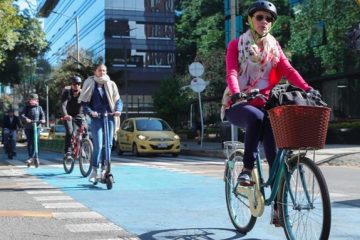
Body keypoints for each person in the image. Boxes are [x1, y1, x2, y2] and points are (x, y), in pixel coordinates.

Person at [221, 0, 318, 225]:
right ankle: (246, 169)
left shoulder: (274, 47)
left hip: (266, 104)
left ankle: (278, 211)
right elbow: (232, 71)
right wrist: (236, 93)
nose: (264, 21)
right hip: (238, 104)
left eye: (268, 18)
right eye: (259, 17)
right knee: (255, 118)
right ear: (250, 20)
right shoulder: (237, 44)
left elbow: (288, 70)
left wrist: (308, 88)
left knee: (276, 157)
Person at [78, 63, 123, 183]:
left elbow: (118, 100)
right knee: (98, 145)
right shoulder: (89, 83)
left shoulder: (111, 84)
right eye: (100, 70)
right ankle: (94, 170)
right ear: (95, 72)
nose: (102, 72)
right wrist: (91, 112)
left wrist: (118, 110)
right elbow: (84, 103)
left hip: (109, 117)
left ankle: (105, 169)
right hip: (96, 118)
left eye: (104, 70)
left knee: (108, 145)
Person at [60, 76, 85, 159]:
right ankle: (68, 151)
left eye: (78, 84)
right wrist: (65, 115)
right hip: (68, 115)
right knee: (70, 131)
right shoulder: (67, 92)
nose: (76, 85)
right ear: (71, 85)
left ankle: (83, 149)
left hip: (79, 115)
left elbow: (88, 104)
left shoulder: (83, 93)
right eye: (74, 84)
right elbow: (63, 105)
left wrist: (92, 113)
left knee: (85, 131)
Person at [20, 93, 46, 163]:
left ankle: (35, 156)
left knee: (35, 141)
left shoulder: (39, 107)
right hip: (28, 127)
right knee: (30, 141)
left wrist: (43, 120)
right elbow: (22, 115)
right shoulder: (26, 107)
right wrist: (26, 119)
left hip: (37, 126)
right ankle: (30, 156)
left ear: (37, 100)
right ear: (29, 100)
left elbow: (42, 115)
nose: (33, 101)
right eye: (32, 99)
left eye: (34, 100)